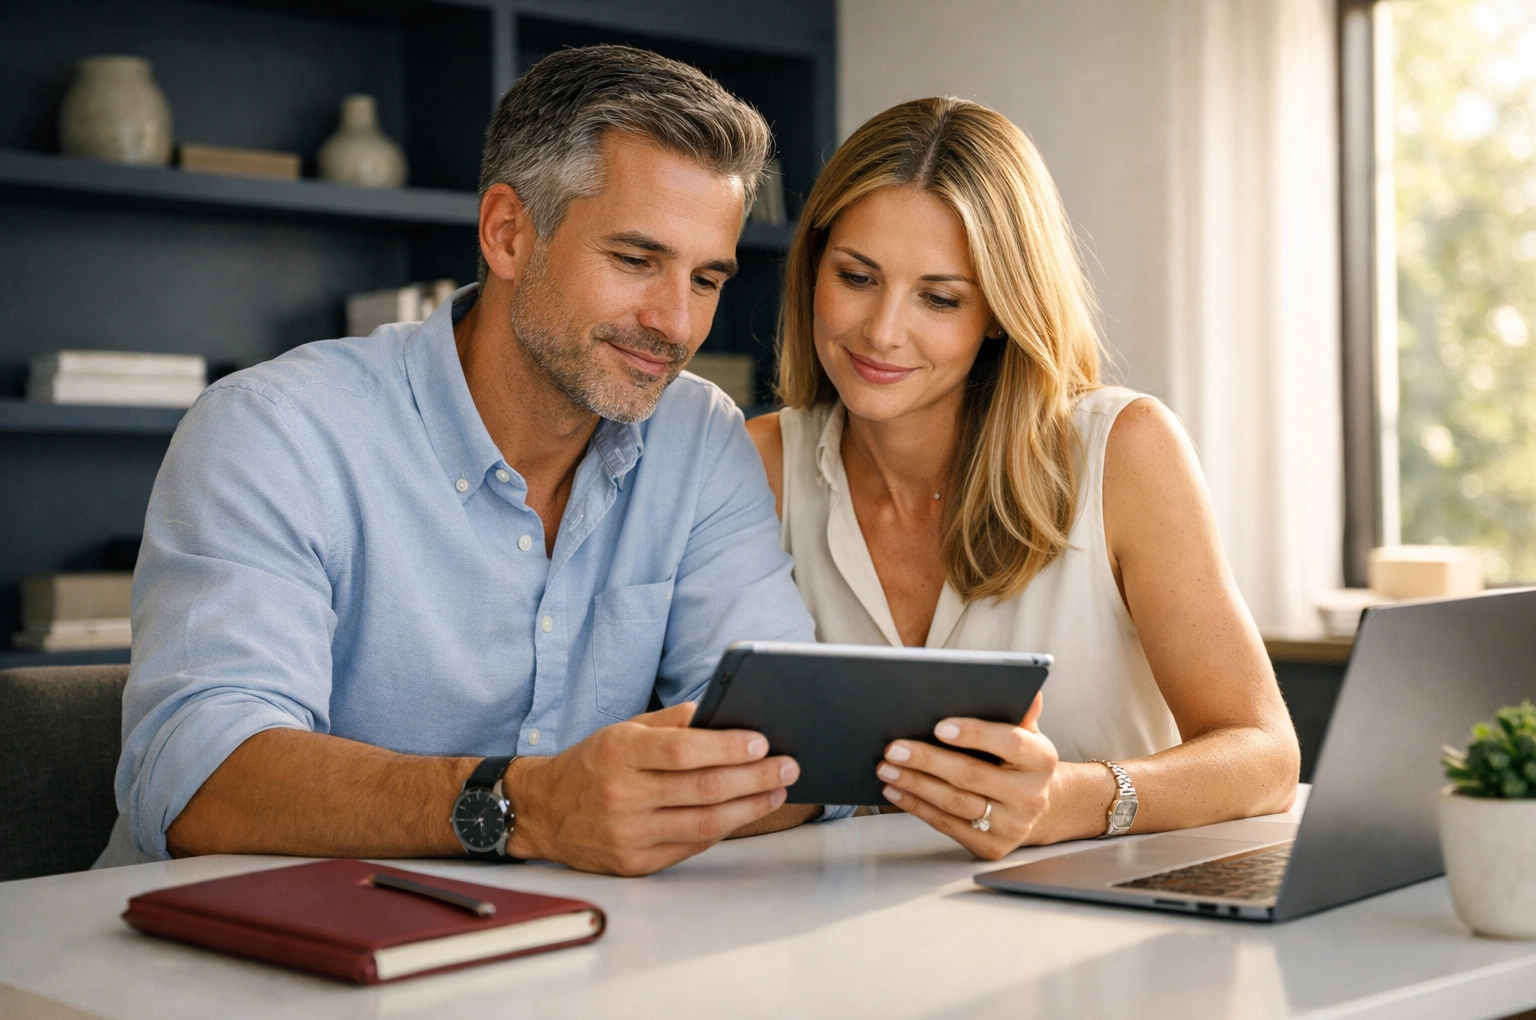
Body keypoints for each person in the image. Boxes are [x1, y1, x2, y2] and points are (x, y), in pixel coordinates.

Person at [104, 45, 845, 878]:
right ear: (507, 233)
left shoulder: (698, 439)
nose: (676, 324)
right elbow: (197, 776)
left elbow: (793, 750)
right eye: (636, 260)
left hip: (534, 956)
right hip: (214, 964)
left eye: (706, 278)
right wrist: (529, 808)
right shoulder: (276, 430)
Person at [746, 97, 1301, 858]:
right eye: (856, 276)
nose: (881, 331)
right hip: (843, 939)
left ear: (1001, 311)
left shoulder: (1123, 451)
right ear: (813, 268)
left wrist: (1072, 799)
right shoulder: (760, 465)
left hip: (1104, 942)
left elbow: (1265, 756)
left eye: (940, 298)